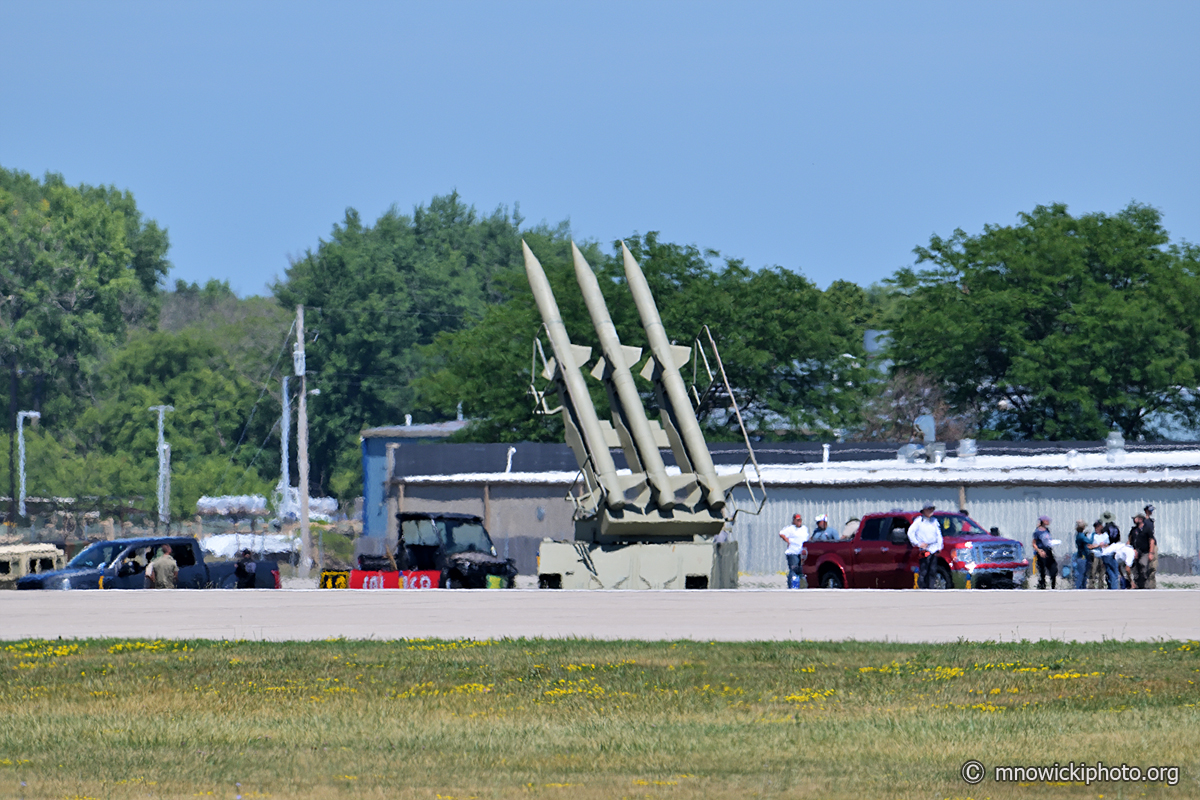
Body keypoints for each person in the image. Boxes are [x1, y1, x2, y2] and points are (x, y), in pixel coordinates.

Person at [906, 503, 943, 589]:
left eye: (932, 509)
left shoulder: (934, 521)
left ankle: (931, 587)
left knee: (933, 569)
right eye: (929, 509)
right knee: (924, 569)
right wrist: (918, 543)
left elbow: (939, 535)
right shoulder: (919, 521)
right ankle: (922, 587)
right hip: (924, 549)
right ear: (924, 511)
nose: (931, 511)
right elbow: (910, 533)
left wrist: (939, 546)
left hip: (934, 548)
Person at [778, 513, 810, 588]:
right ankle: (792, 585)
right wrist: (787, 540)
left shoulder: (804, 528)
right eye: (797, 520)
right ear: (794, 521)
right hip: (793, 552)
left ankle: (800, 585)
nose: (799, 522)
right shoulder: (791, 529)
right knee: (794, 568)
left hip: (801, 552)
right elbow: (781, 533)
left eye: (800, 520)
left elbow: (807, 537)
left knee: (801, 570)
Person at [1130, 512, 1157, 589]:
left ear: (1140, 519)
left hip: (1145, 551)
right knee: (1135, 567)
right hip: (1135, 551)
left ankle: (1146, 584)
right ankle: (1137, 584)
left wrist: (1151, 552)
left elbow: (1151, 540)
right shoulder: (1133, 530)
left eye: (1135, 519)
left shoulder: (1147, 529)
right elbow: (1130, 540)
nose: (1134, 520)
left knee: (1143, 565)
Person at [1032, 516, 1057, 590]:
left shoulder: (1047, 530)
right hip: (1041, 551)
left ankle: (1053, 585)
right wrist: (1039, 551)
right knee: (1042, 570)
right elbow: (1034, 543)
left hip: (1048, 550)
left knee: (1053, 568)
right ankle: (1042, 585)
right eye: (1047, 520)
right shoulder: (1037, 532)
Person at [1072, 519, 1093, 590]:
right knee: (1081, 573)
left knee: (1084, 574)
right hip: (1082, 557)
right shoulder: (1081, 536)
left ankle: (1082, 587)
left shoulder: (1079, 535)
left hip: (1083, 556)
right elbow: (1090, 541)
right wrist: (1092, 535)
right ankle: (1078, 587)